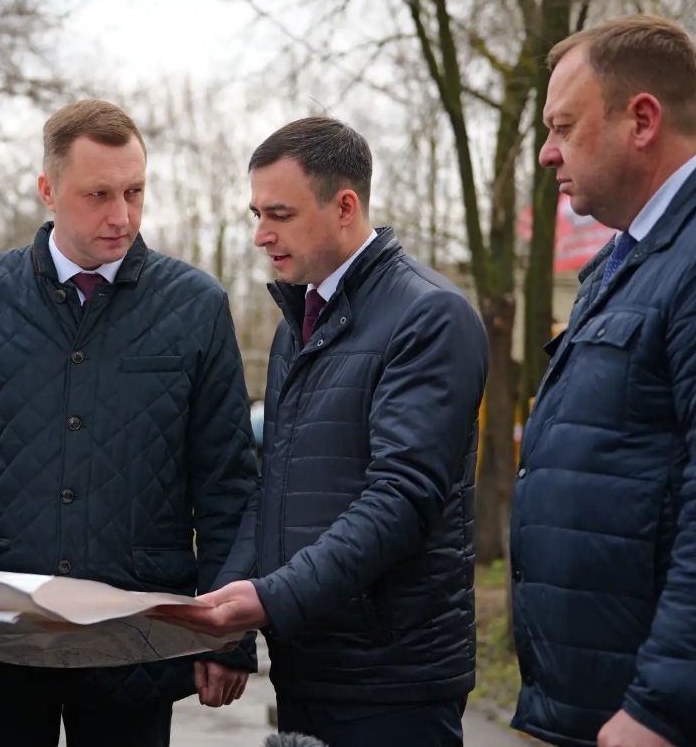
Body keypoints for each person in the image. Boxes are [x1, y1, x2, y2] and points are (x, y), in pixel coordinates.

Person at [0, 99, 258, 747]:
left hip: (133, 644)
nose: (122, 216)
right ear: (48, 190)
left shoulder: (196, 307)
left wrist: (229, 636)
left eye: (135, 192)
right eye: (99, 194)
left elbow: (227, 484)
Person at [161, 116, 488, 747]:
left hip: (391, 682)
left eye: (279, 214)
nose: (261, 234)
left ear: (345, 207)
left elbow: (402, 499)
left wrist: (270, 599)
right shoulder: (299, 323)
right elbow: (274, 494)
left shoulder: (430, 317)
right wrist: (228, 624)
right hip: (310, 667)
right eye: (257, 214)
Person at [508, 15, 696, 747]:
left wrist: (666, 704)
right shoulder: (628, 257)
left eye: (563, 127)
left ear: (641, 120)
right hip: (601, 702)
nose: (548, 152)